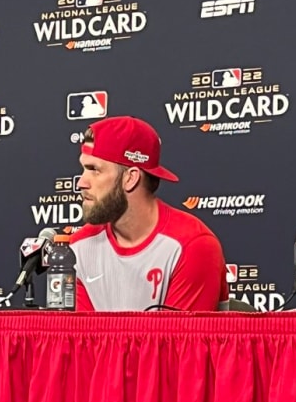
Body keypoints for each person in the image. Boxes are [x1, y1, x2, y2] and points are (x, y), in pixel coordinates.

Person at [71, 115, 228, 311]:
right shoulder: (78, 247)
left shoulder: (193, 245)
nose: (81, 182)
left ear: (131, 178)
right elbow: (84, 339)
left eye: (94, 169)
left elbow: (179, 340)